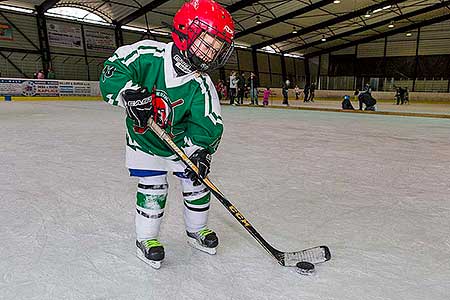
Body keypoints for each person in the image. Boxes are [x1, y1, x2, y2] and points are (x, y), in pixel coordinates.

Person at [99, 0, 235, 269]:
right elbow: (113, 69)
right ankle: (146, 239)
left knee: (197, 183)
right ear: (185, 31)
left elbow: (207, 121)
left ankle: (197, 231)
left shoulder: (201, 84)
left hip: (180, 142)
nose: (210, 54)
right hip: (144, 140)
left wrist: (200, 151)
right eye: (207, 44)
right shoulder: (148, 54)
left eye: (216, 49)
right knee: (154, 187)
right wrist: (127, 92)